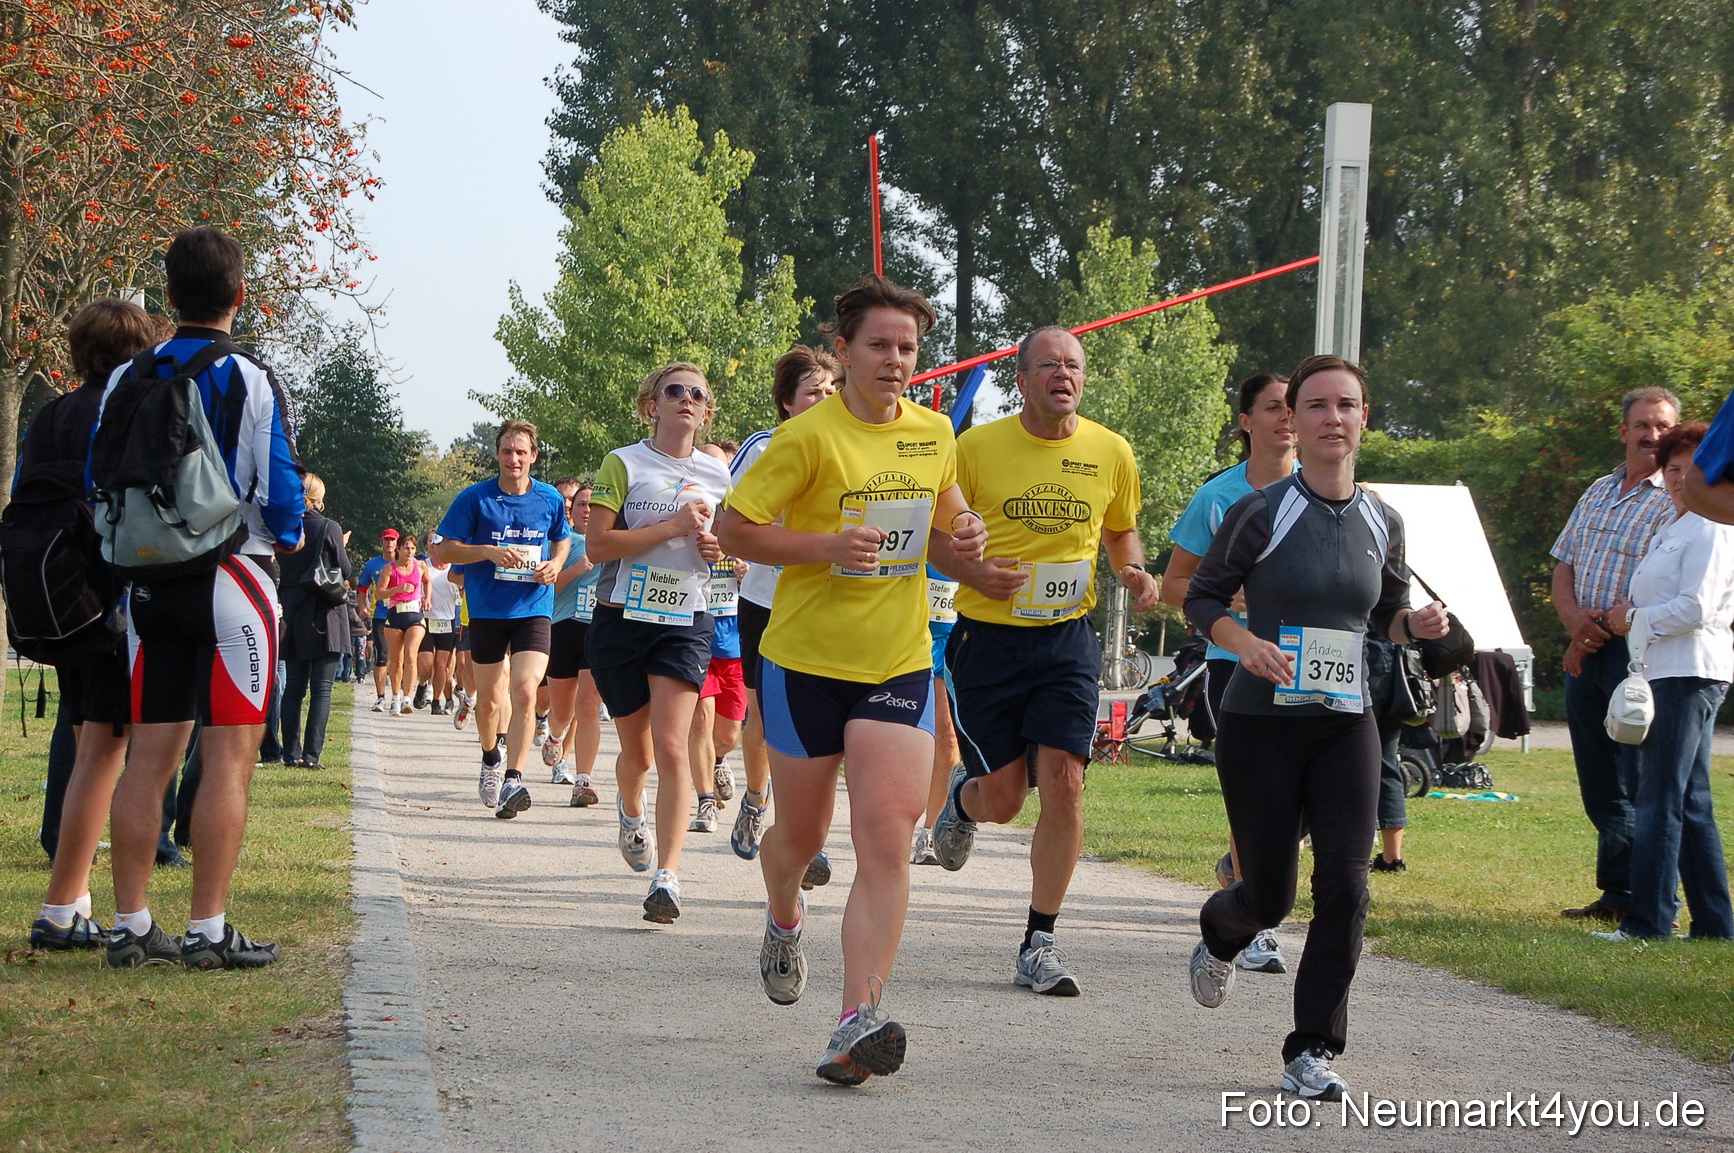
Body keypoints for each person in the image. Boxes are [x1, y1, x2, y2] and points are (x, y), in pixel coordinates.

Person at [718, 274, 986, 1085]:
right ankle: (783, 914)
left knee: (885, 838)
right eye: (879, 345)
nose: (896, 360)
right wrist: (824, 546)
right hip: (804, 664)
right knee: (796, 843)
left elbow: (944, 528)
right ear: (842, 351)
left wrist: (966, 539)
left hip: (897, 660)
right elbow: (736, 529)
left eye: (907, 347)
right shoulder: (805, 437)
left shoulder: (937, 432)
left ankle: (855, 1017)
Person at [1183, 354, 1448, 1101]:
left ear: (1365, 417)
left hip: (1345, 722)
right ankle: (1220, 929)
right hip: (1260, 722)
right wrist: (1246, 645)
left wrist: (1415, 622)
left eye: (1348, 404)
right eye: (1318, 405)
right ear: (1293, 421)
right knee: (1269, 896)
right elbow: (1201, 599)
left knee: (1348, 882)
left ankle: (1311, 1049)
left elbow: (1386, 613)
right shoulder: (1262, 510)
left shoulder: (1382, 518)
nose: (1334, 417)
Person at [99, 227, 307, 969]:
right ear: (240, 296)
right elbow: (280, 488)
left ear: (169, 293)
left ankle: (129, 924)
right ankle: (208, 928)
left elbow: (104, 476)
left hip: (151, 583)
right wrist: (287, 535)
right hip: (236, 576)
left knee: (148, 756)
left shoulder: (129, 377)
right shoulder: (251, 377)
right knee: (229, 755)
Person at [929, 325, 1158, 997]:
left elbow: (1119, 528)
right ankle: (963, 802)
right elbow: (935, 541)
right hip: (988, 641)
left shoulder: (1111, 450)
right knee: (1003, 799)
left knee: (1064, 782)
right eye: (1049, 364)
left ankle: (1040, 939)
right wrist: (974, 575)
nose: (1064, 373)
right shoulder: (974, 448)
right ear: (1022, 379)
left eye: (1074, 364)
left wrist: (1135, 569)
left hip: (1065, 639)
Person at [24, 298, 157, 950]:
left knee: (87, 747)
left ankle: (71, 899)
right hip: (107, 599)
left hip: (57, 597)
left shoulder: (51, 414)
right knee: (105, 750)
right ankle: (58, 908)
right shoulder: (121, 411)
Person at [585, 363, 731, 923]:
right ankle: (629, 811)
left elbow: (733, 542)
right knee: (639, 753)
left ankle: (666, 878)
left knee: (673, 747)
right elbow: (598, 546)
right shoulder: (623, 463)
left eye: (698, 393)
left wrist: (721, 549)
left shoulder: (717, 473)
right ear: (653, 403)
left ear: (706, 409)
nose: (687, 399)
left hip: (685, 620)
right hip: (622, 617)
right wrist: (672, 525)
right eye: (676, 391)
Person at [1162, 371, 1296, 974]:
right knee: (1259, 791)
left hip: (1315, 665)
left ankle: (1241, 873)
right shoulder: (1218, 497)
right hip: (1234, 662)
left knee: (1312, 801)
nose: (1288, 417)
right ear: (1246, 421)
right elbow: (1174, 585)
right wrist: (1231, 597)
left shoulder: (1326, 492)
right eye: (1273, 407)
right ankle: (1257, 917)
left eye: (1297, 406)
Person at [1595, 422, 1734, 942]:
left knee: (1659, 798)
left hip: (1690, 672)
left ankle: (1648, 921)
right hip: (1665, 672)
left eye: (1691, 469)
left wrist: (1634, 619)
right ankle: (1716, 924)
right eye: (1672, 469)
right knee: (1690, 801)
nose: (1680, 479)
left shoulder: (1713, 527)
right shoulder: (1671, 528)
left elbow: (1696, 609)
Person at [1549, 387, 1678, 922]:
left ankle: (1650, 901)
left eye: (1664, 427)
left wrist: (1592, 629)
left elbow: (1658, 588)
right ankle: (1617, 893)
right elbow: (1564, 565)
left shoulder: (1676, 496)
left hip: (1637, 656)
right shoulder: (1598, 490)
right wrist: (1575, 624)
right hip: (1587, 650)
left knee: (1638, 779)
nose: (1653, 436)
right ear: (1623, 431)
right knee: (1600, 783)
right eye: (1643, 425)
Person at [726, 343, 838, 880]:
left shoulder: (852, 447)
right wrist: (743, 556)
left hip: (827, 605)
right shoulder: (764, 447)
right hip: (767, 602)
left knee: (820, 728)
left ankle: (806, 835)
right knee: (767, 718)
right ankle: (754, 797)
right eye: (814, 392)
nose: (826, 399)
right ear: (788, 404)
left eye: (833, 390)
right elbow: (737, 519)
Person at [435, 420, 570, 817]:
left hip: (533, 607)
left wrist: (556, 564)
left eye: (522, 452)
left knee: (526, 690)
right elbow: (446, 552)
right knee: (491, 699)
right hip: (489, 609)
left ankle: (514, 778)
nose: (514, 459)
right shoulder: (475, 499)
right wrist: (487, 552)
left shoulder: (548, 498)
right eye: (508, 451)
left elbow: (561, 539)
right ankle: (491, 757)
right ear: (498, 454)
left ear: (533, 456)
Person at [276, 473, 352, 768]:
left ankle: (289, 752)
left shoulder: (286, 525)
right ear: (318, 497)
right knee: (322, 688)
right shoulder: (328, 527)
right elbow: (343, 568)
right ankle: (311, 755)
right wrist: (340, 543)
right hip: (324, 611)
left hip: (293, 609)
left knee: (293, 687)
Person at [540, 478, 604, 804]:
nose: (588, 511)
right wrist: (577, 569)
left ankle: (584, 780)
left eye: (594, 505)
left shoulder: (612, 543)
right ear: (572, 510)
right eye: (582, 505)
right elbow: (549, 587)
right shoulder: (564, 543)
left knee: (589, 705)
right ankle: (555, 733)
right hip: (564, 627)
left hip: (598, 630)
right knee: (563, 710)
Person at [688, 553, 748, 832]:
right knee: (701, 722)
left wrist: (748, 577)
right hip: (698, 645)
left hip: (735, 652)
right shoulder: (692, 544)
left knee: (728, 736)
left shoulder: (746, 547)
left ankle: (719, 760)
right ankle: (705, 802)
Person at [911, 562, 961, 866]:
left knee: (948, 740)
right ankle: (891, 825)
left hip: (952, 646)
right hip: (906, 642)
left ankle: (930, 832)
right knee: (906, 741)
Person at [377, 533, 431, 716]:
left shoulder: (421, 565)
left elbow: (427, 581)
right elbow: (379, 594)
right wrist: (397, 589)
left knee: (411, 655)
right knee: (397, 659)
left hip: (415, 615)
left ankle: (407, 698)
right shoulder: (389, 569)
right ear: (398, 549)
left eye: (413, 548)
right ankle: (395, 698)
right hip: (395, 615)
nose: (410, 552)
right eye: (406, 548)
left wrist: (427, 598)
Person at [356, 528, 399, 709]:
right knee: (381, 655)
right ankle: (381, 697)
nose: (389, 543)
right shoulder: (372, 565)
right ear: (381, 542)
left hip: (402, 613)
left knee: (399, 657)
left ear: (397, 543)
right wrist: (362, 607)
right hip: (381, 615)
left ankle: (399, 697)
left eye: (392, 540)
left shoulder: (405, 562)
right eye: (386, 540)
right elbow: (362, 588)